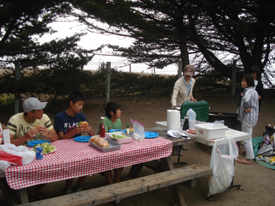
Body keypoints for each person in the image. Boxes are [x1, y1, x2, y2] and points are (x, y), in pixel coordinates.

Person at [7, 97, 59, 201]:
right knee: (24, 172)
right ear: (30, 113)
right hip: (20, 154)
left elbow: (56, 138)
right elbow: (7, 143)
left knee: (52, 167)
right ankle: (29, 190)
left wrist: (48, 134)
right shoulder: (15, 120)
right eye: (39, 110)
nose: (42, 111)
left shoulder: (44, 117)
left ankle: (37, 188)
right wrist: (25, 137)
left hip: (37, 151)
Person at [54, 90, 95, 194]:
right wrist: (74, 131)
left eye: (82, 105)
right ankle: (68, 187)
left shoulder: (81, 116)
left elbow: (93, 136)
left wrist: (90, 131)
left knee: (87, 160)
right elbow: (60, 138)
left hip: (79, 145)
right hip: (64, 147)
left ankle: (79, 184)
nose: (81, 107)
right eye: (79, 104)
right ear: (71, 103)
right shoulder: (60, 117)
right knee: (73, 164)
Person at [97, 101, 122, 185]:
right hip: (104, 144)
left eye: (119, 110)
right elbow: (105, 135)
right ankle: (111, 185)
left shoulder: (118, 121)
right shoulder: (104, 120)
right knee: (106, 164)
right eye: (118, 110)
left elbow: (119, 134)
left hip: (114, 144)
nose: (120, 112)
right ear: (111, 113)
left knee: (118, 161)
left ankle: (117, 183)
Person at [237, 73, 259, 164]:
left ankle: (248, 158)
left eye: (244, 81)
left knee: (246, 138)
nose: (242, 83)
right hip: (253, 117)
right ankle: (247, 151)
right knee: (248, 134)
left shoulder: (249, 92)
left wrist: (246, 108)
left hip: (248, 117)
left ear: (249, 82)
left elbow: (246, 100)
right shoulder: (253, 91)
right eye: (242, 81)